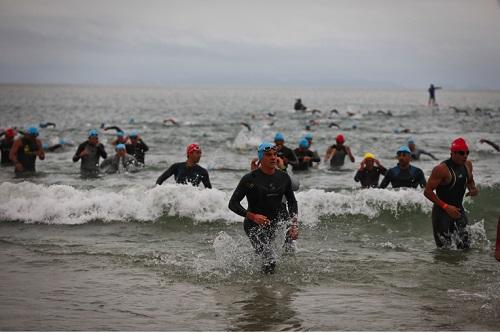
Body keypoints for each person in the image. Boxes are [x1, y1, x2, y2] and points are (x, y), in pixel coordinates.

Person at [228, 142, 298, 274]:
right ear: (260, 158)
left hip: (274, 223)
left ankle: (265, 286)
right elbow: (233, 203)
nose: (273, 157)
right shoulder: (249, 179)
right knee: (270, 259)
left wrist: (294, 225)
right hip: (253, 225)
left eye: (274, 154)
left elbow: (292, 201)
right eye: (268, 155)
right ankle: (264, 290)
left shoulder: (283, 177)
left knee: (286, 251)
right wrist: (253, 216)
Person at [424, 138, 478, 249]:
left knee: (466, 247)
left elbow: (470, 181)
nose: (465, 156)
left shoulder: (468, 165)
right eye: (461, 153)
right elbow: (427, 192)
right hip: (442, 214)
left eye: (467, 153)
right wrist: (446, 207)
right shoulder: (441, 169)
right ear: (452, 153)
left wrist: (473, 189)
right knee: (445, 252)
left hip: (459, 211)